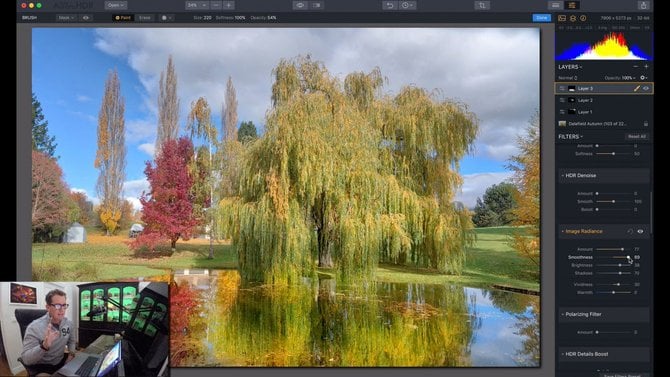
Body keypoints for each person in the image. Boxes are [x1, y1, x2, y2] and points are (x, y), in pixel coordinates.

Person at [21, 289, 77, 376]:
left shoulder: (69, 323)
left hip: (60, 360)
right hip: (42, 366)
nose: (62, 310)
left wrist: (71, 354)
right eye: (58, 306)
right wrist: (44, 346)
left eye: (64, 305)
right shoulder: (34, 327)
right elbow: (26, 359)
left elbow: (72, 341)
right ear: (48, 307)